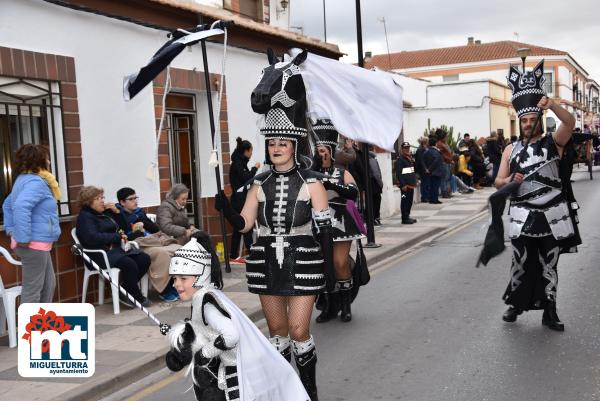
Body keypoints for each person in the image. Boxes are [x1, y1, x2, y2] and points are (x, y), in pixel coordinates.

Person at [214, 124, 334, 400]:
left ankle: (309, 391)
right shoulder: (259, 181)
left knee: (298, 330)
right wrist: (227, 209)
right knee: (278, 333)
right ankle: (283, 390)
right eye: (271, 143)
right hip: (267, 262)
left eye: (282, 143)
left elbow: (325, 229)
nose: (276, 148)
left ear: (293, 146)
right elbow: (245, 224)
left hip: (304, 261)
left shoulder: (312, 181)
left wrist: (328, 270)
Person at [165, 235, 309, 401]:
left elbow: (231, 335)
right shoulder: (204, 296)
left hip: (234, 372)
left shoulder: (206, 304)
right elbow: (203, 329)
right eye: (175, 278)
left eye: (183, 278)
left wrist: (205, 353)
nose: (176, 284)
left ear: (200, 276)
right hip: (228, 367)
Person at [495, 60, 576, 331]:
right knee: (520, 261)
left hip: (552, 214)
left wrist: (551, 104)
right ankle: (515, 304)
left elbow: (571, 121)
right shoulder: (510, 150)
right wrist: (508, 180)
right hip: (521, 215)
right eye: (524, 121)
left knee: (549, 265)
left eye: (532, 120)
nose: (528, 124)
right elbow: (497, 182)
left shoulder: (554, 142)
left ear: (539, 121)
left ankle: (550, 311)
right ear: (520, 122)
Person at [311, 119, 365, 323]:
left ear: (331, 151)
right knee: (324, 264)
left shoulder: (341, 172)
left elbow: (352, 193)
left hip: (341, 221)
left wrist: (332, 185)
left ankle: (346, 305)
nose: (321, 153)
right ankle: (329, 307)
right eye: (318, 149)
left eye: (324, 149)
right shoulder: (310, 173)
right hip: (318, 222)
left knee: (339, 262)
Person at [2, 144, 60, 303]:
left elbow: (7, 205)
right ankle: (31, 327)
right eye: (47, 158)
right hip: (33, 243)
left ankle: (40, 323)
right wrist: (22, 237)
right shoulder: (36, 182)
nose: (49, 161)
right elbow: (20, 206)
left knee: (48, 285)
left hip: (37, 243)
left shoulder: (22, 180)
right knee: (33, 290)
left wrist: (11, 229)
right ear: (39, 160)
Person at [76, 186, 151, 308]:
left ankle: (124, 290)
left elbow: (126, 228)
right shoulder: (85, 217)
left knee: (144, 259)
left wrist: (117, 212)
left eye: (102, 197)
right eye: (97, 198)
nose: (102, 201)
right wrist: (116, 237)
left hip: (115, 251)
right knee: (129, 263)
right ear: (88, 201)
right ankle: (135, 295)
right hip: (98, 255)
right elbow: (92, 237)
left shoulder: (104, 213)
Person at [116, 187, 181, 302]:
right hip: (137, 245)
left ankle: (177, 284)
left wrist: (143, 222)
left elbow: (155, 229)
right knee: (162, 254)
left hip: (152, 240)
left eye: (136, 198)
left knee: (179, 249)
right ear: (122, 202)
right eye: (131, 199)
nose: (135, 201)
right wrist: (137, 231)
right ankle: (164, 290)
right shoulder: (119, 215)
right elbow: (124, 236)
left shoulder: (139, 212)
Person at [229, 137, 260, 264]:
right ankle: (251, 254)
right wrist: (255, 168)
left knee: (239, 228)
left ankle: (234, 255)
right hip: (239, 200)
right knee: (246, 225)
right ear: (246, 151)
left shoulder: (240, 162)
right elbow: (246, 178)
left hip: (241, 199)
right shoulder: (238, 164)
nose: (251, 154)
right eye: (251, 151)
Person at [395, 142, 418, 224]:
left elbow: (410, 171)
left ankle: (407, 216)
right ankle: (404, 218)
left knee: (409, 201)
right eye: (405, 148)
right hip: (405, 186)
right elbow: (399, 172)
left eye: (408, 148)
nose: (407, 149)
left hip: (411, 185)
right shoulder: (400, 159)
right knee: (404, 200)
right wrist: (403, 184)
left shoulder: (409, 158)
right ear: (402, 149)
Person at [423, 136, 444, 204]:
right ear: (435, 143)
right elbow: (436, 160)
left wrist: (427, 169)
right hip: (436, 171)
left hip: (430, 172)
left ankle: (432, 199)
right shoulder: (435, 151)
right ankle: (435, 199)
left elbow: (424, 161)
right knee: (436, 186)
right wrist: (430, 169)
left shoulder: (427, 151)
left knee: (432, 186)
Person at [368, 147, 384, 225]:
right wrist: (381, 183)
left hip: (370, 183)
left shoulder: (366, 158)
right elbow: (376, 173)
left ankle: (373, 219)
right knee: (376, 201)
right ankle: (375, 218)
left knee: (372, 202)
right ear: (373, 149)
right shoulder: (372, 159)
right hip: (374, 184)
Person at [414, 137, 429, 202]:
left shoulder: (423, 149)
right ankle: (424, 197)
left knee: (426, 183)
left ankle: (426, 196)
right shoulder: (420, 149)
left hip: (424, 168)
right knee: (424, 183)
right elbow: (421, 160)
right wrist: (425, 168)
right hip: (422, 169)